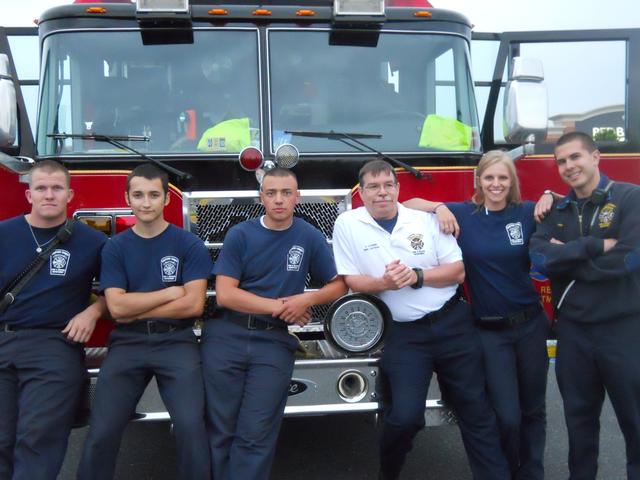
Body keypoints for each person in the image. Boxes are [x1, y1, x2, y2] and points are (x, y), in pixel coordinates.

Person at [332, 159, 510, 480]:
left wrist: (415, 276)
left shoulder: (426, 220)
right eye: (373, 187)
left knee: (476, 411)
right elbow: (351, 281)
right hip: (403, 334)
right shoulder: (347, 224)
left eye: (388, 185)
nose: (382, 193)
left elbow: (457, 271)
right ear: (362, 193)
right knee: (403, 417)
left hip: (452, 324)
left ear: (398, 189)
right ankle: (389, 472)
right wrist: (384, 283)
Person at [405, 150, 551, 479]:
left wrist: (548, 194)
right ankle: (508, 468)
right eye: (489, 178)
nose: (496, 184)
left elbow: (567, 204)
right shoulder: (464, 215)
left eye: (503, 177)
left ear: (512, 181)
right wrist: (439, 206)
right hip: (489, 332)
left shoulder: (526, 213)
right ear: (479, 181)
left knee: (533, 410)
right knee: (507, 415)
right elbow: (409, 204)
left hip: (530, 325)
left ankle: (532, 473)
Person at [202, 167, 347, 480]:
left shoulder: (308, 235)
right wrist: (283, 306)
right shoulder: (240, 234)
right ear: (261, 197)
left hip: (273, 344)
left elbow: (338, 285)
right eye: (271, 193)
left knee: (256, 433)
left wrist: (305, 301)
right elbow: (226, 295)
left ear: (297, 197)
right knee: (220, 431)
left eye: (286, 193)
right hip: (226, 335)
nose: (279, 200)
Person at [77, 163, 211, 480]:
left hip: (177, 343)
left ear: (167, 199)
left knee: (192, 426)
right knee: (102, 431)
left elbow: (193, 305)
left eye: (153, 195)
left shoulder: (188, 245)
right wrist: (168, 294)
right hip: (128, 344)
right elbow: (118, 309)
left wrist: (134, 305)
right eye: (138, 195)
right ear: (128, 198)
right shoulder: (115, 248)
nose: (146, 202)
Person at [530, 131, 640, 480]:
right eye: (561, 161)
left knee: (636, 425)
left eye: (575, 157)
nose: (568, 166)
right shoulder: (555, 209)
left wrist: (567, 257)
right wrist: (594, 247)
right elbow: (538, 258)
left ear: (595, 156)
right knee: (579, 428)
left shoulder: (630, 198)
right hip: (573, 335)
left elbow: (630, 259)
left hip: (623, 331)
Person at [0, 160, 107, 480]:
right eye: (41, 188)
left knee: (37, 439)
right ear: (29, 194)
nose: (49, 195)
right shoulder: (3, 234)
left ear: (70, 194)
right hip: (3, 341)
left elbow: (118, 292)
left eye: (57, 188)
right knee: (2, 439)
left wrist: (93, 310)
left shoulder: (94, 243)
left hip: (55, 345)